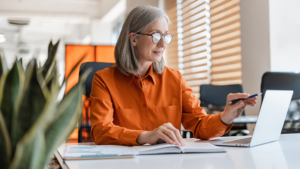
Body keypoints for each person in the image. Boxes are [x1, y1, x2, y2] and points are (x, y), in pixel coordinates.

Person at [90, 5, 257, 146]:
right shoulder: (103, 79)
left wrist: (225, 117)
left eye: (165, 36)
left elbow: (199, 125)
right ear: (134, 39)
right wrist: (144, 136)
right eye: (156, 35)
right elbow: (100, 130)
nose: (163, 44)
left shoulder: (174, 79)